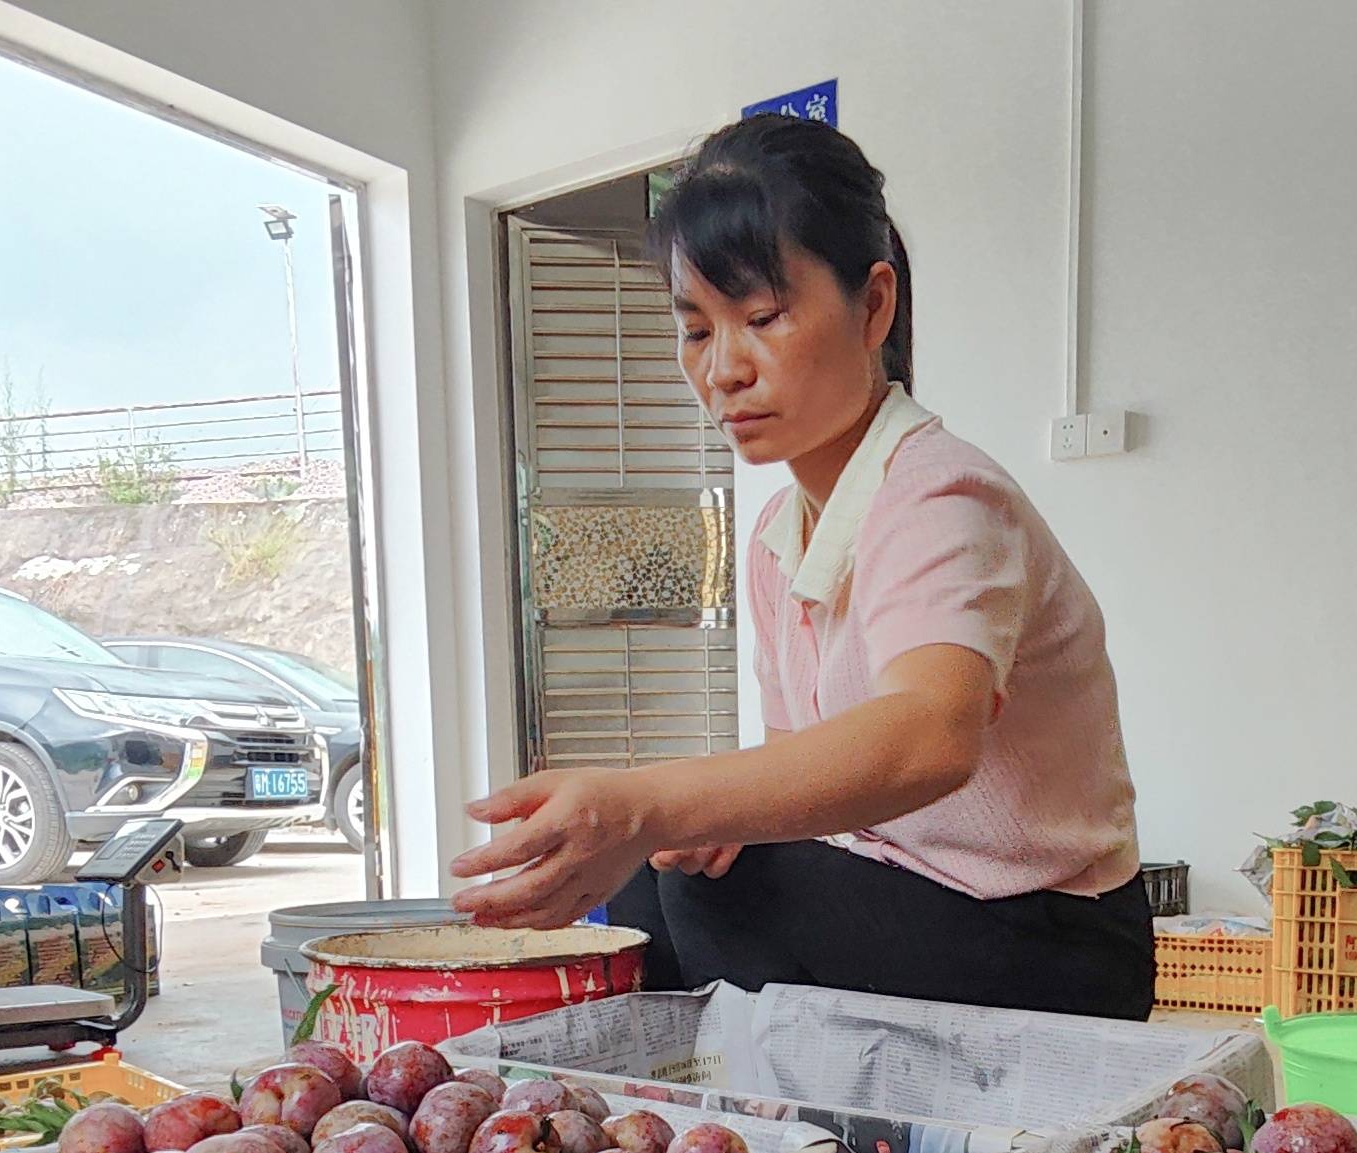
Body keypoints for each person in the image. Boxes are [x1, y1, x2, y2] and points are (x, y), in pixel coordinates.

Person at [450, 114, 1149, 1019]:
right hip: (911, 896)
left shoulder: (941, 493)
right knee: (646, 891)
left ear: (873, 306)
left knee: (713, 888)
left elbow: (930, 734)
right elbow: (807, 776)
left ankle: (785, 1123)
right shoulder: (785, 530)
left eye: (763, 317)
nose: (723, 370)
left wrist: (651, 804)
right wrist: (687, 827)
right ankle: (657, 1141)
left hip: (1052, 937)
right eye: (696, 330)